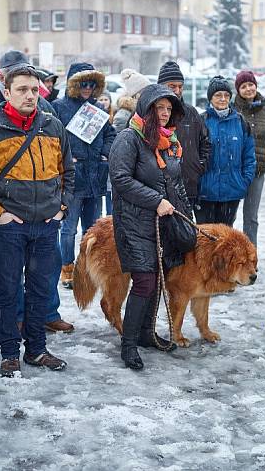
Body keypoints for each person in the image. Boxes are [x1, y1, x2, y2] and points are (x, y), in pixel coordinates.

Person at [0, 64, 74, 378]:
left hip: (45, 225)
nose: (29, 95)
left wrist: (60, 208)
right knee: (8, 291)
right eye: (22, 90)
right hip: (8, 227)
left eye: (34, 90)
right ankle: (10, 352)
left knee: (40, 290)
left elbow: (68, 171)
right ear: (6, 92)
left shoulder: (52, 126)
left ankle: (37, 349)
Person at [109, 83, 191, 369]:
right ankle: (128, 345)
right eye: (160, 108)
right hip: (133, 221)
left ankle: (145, 333)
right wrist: (155, 200)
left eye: (170, 108)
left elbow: (176, 183)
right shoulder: (128, 139)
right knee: (144, 281)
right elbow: (120, 179)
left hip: (163, 222)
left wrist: (186, 214)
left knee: (156, 279)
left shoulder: (168, 142)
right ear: (147, 109)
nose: (166, 113)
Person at [53, 63, 115, 300]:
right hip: (72, 178)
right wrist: (66, 158)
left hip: (95, 177)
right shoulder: (59, 107)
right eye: (83, 83)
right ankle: (66, 269)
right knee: (68, 229)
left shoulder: (98, 108)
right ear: (73, 84)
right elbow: (52, 138)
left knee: (92, 229)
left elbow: (110, 134)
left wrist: (105, 153)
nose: (88, 88)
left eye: (92, 84)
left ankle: (87, 269)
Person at [195, 76, 256, 226]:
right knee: (205, 241)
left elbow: (249, 157)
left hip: (231, 192)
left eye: (226, 95)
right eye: (218, 95)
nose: (223, 99)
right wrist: (198, 182)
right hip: (205, 193)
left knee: (225, 242)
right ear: (210, 98)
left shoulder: (241, 122)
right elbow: (192, 156)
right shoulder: (200, 121)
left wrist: (244, 181)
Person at [158, 61, 211, 216]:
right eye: (172, 86)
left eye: (180, 86)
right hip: (160, 191)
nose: (178, 90)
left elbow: (206, 143)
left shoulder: (191, 113)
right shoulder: (150, 112)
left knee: (186, 234)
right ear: (161, 86)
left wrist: (198, 167)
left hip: (188, 186)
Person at [234, 70, 265, 246]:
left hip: (257, 172)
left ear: (256, 85)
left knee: (251, 217)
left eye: (250, 85)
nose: (248, 89)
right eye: (243, 86)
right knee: (228, 215)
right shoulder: (233, 110)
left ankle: (250, 257)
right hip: (235, 172)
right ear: (238, 90)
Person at [96, 93, 114, 216]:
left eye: (106, 99)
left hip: (107, 160)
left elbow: (111, 135)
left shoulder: (114, 115)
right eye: (101, 99)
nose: (103, 102)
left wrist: (105, 152)